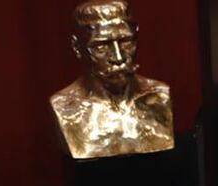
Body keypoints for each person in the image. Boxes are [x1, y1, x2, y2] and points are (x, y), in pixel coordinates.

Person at [50, 1, 174, 159]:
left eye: (126, 42)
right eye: (101, 47)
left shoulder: (160, 96)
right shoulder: (65, 109)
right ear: (77, 47)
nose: (118, 57)